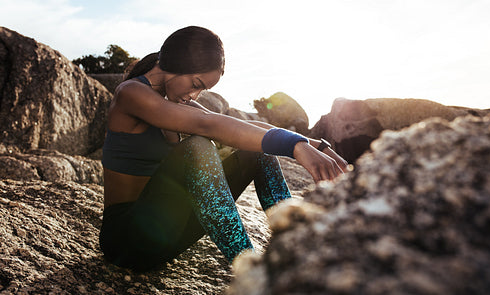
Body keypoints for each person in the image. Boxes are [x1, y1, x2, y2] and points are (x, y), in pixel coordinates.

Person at [99, 26, 349, 271]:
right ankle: (250, 270)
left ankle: (293, 250)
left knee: (255, 151)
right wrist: (293, 146)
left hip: (165, 235)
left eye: (202, 89)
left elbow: (239, 126)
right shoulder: (131, 93)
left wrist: (314, 145)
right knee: (197, 148)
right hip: (125, 240)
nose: (194, 95)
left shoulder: (172, 100)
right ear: (176, 63)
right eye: (196, 83)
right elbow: (208, 124)